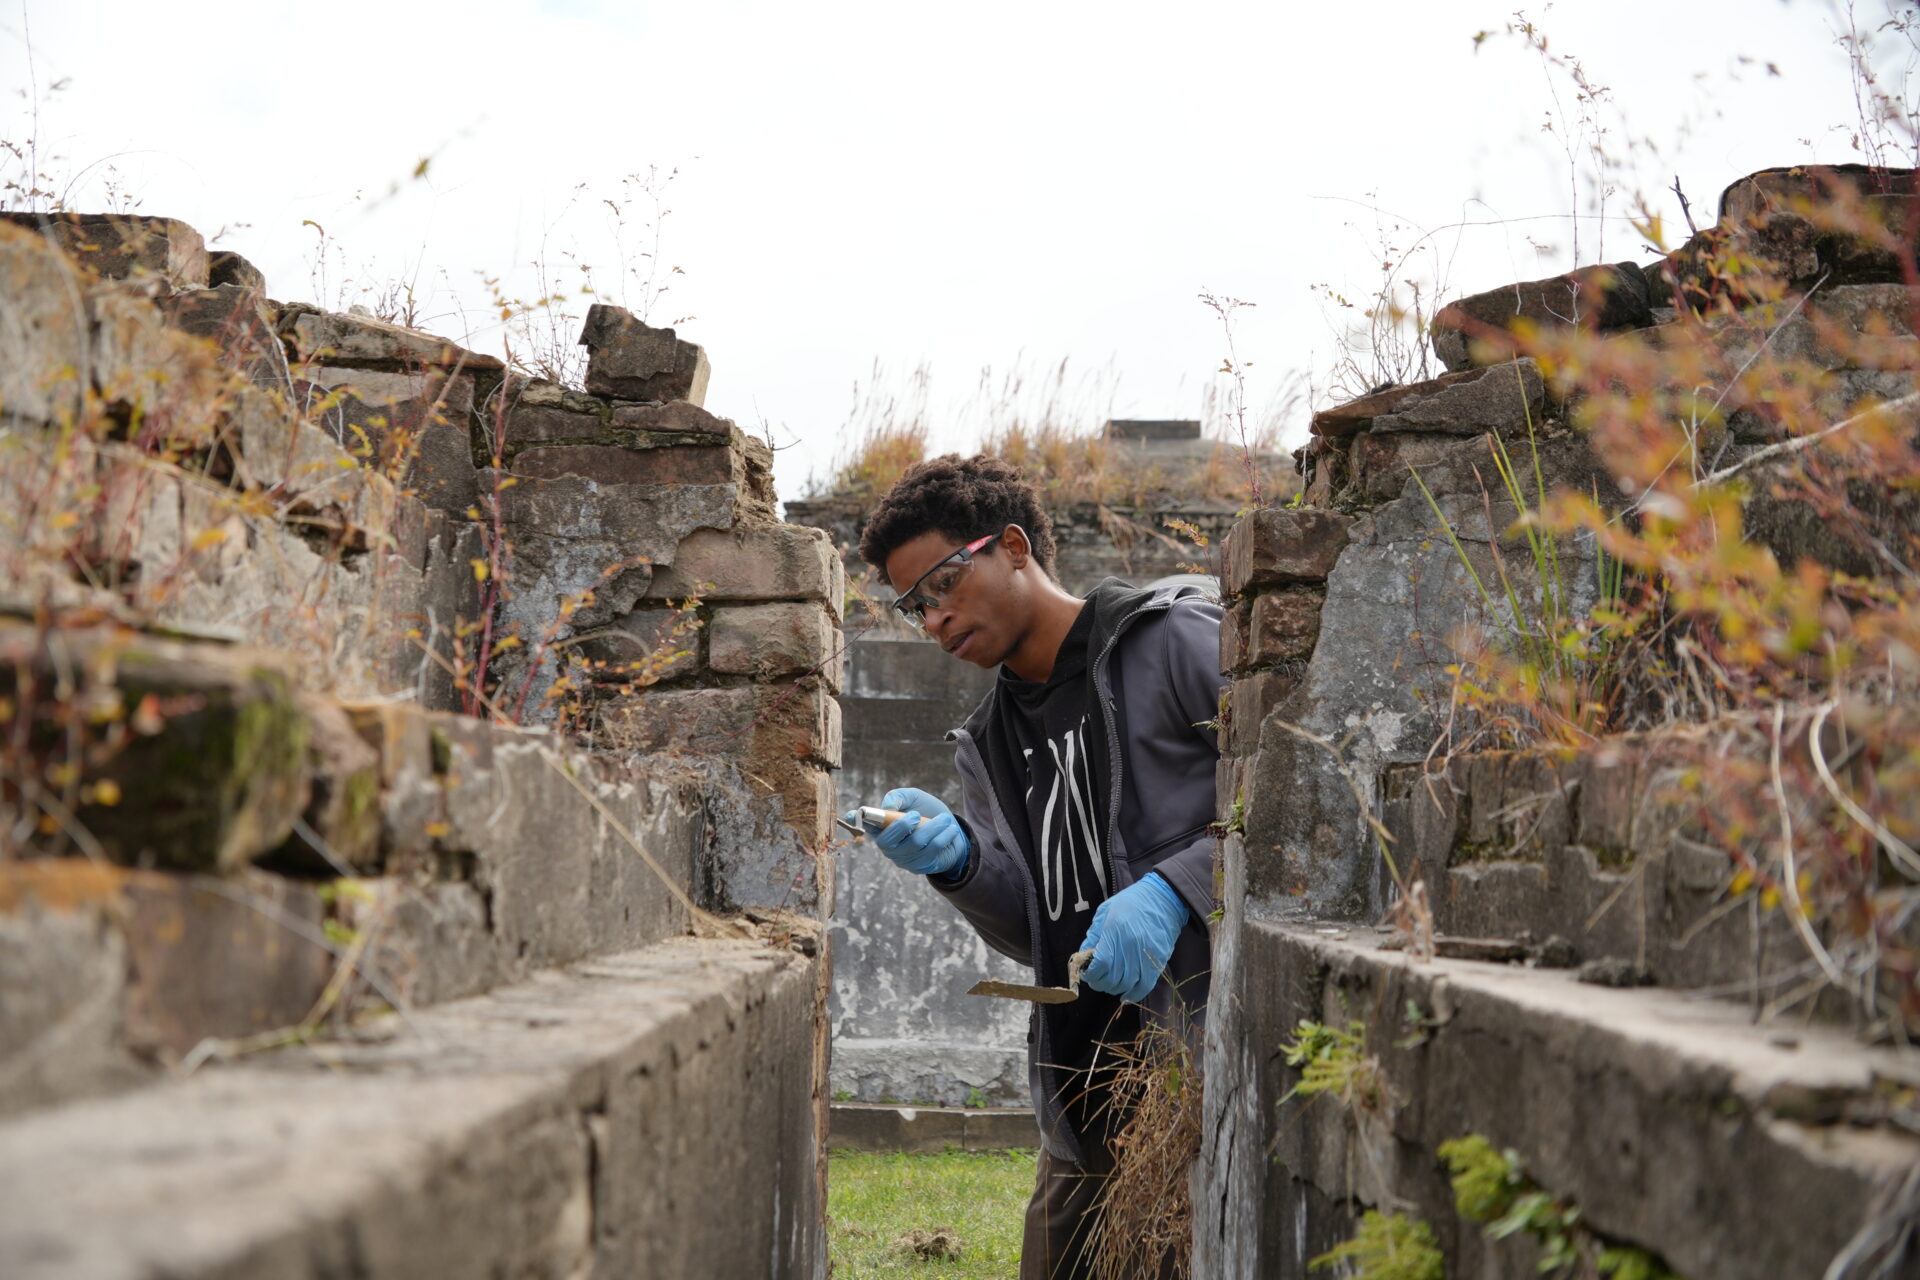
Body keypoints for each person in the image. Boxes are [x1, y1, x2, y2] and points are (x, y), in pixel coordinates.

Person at [847, 453, 1222, 1280]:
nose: (934, 620)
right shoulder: (988, 744)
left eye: (944, 583)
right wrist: (958, 865)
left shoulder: (1171, 641)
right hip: (1080, 1111)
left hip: (1196, 1085)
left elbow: (1295, 810)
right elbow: (1038, 932)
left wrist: (1174, 890)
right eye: (915, 606)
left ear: (1013, 545)